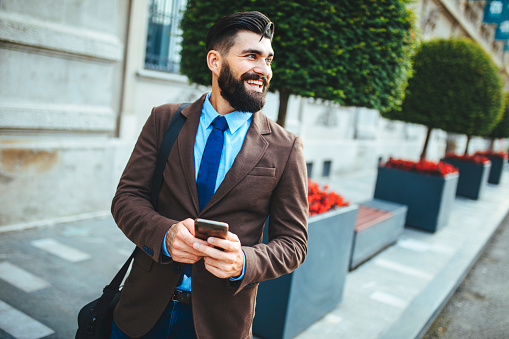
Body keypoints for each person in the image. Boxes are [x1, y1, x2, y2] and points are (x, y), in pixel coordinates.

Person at [110, 11, 308, 339]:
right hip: (141, 311)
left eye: (269, 59)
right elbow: (127, 199)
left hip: (220, 324)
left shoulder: (285, 148)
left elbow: (294, 243)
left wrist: (245, 261)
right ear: (215, 61)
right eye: (251, 56)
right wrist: (165, 234)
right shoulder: (164, 120)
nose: (264, 69)